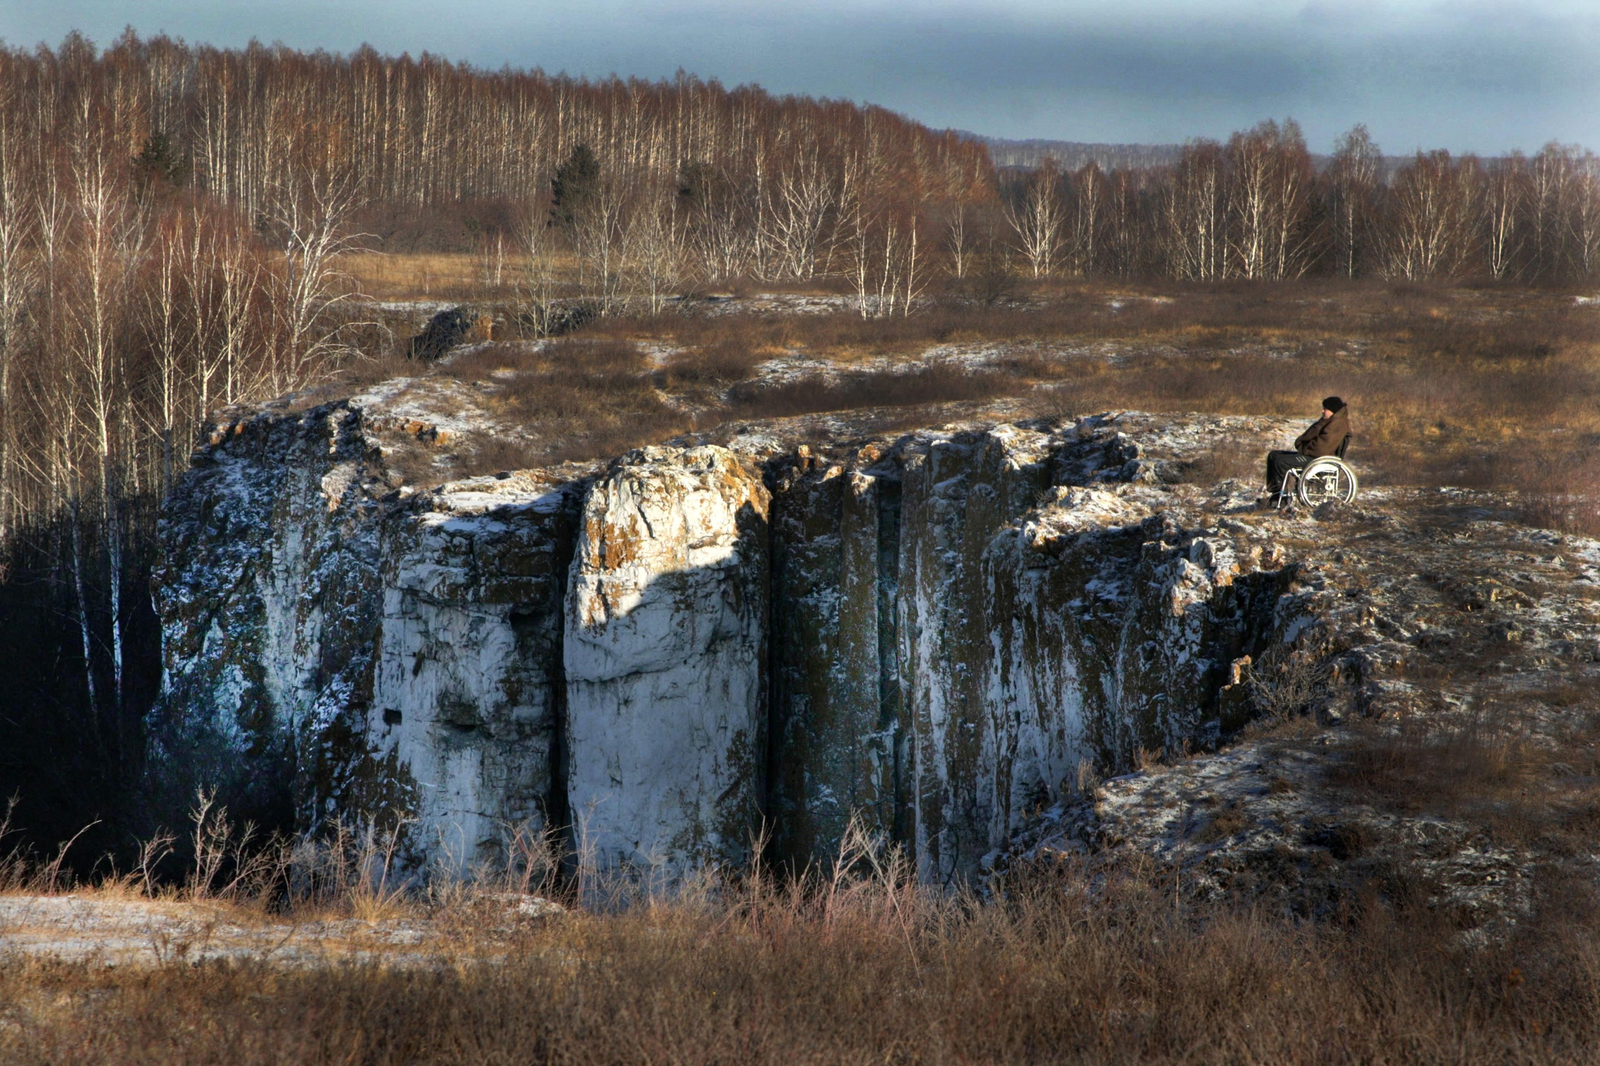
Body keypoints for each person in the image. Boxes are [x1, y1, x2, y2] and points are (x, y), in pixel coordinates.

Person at [1265, 397, 1351, 500]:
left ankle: (1281, 497)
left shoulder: (1337, 424)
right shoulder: (1330, 420)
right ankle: (1274, 491)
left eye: (1325, 409)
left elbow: (1321, 448)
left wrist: (1304, 449)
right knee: (1274, 455)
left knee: (1281, 461)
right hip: (1312, 455)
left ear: (1333, 410)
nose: (1322, 411)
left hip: (1317, 458)